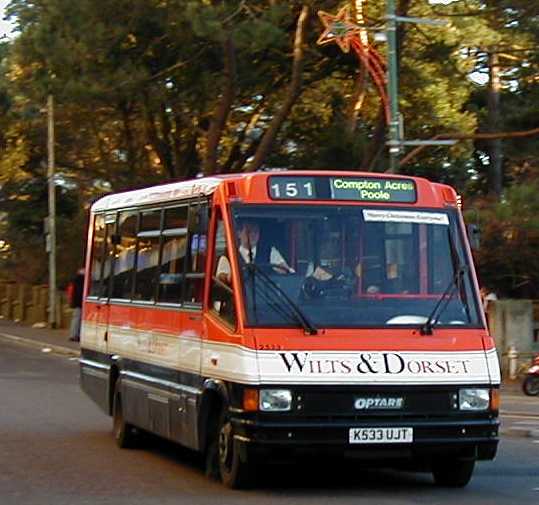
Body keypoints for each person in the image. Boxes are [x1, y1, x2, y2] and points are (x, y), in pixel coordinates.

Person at [216, 220, 293, 284]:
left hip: (264, 299)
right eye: (249, 231)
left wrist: (285, 271)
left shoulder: (270, 252)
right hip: (239, 300)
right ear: (239, 233)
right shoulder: (229, 255)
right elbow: (220, 278)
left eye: (256, 231)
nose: (253, 235)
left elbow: (285, 270)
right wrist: (228, 277)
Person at [68, 268, 85, 342]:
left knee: (76, 319)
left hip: (76, 303)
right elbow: (79, 293)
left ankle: (74, 334)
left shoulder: (75, 281)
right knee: (78, 319)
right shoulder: (81, 282)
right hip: (79, 303)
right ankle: (75, 335)